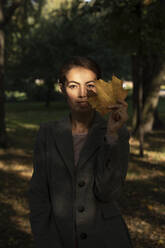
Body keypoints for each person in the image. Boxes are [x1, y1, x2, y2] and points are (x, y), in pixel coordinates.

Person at [28, 56, 133, 248]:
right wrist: (44, 239)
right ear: (62, 88)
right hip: (58, 237)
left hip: (106, 238)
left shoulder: (117, 133)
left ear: (100, 87)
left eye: (90, 85)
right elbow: (38, 195)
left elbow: (108, 193)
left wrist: (111, 135)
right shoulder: (47, 133)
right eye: (73, 86)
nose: (82, 94)